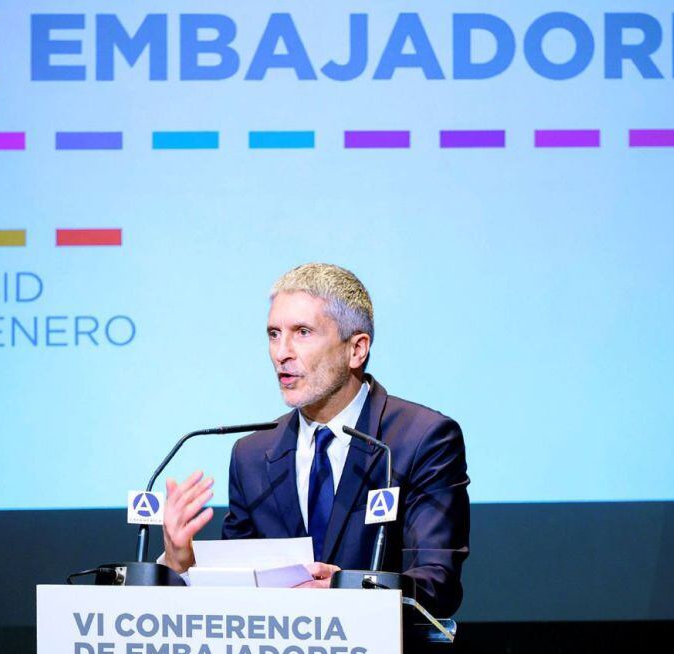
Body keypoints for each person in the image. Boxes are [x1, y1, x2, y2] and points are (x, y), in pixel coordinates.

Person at [161, 263, 470, 616]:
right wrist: (181, 561)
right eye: (274, 334)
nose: (282, 352)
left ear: (356, 349)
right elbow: (236, 596)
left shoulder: (421, 439)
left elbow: (437, 584)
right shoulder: (252, 454)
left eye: (303, 332)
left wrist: (348, 590)